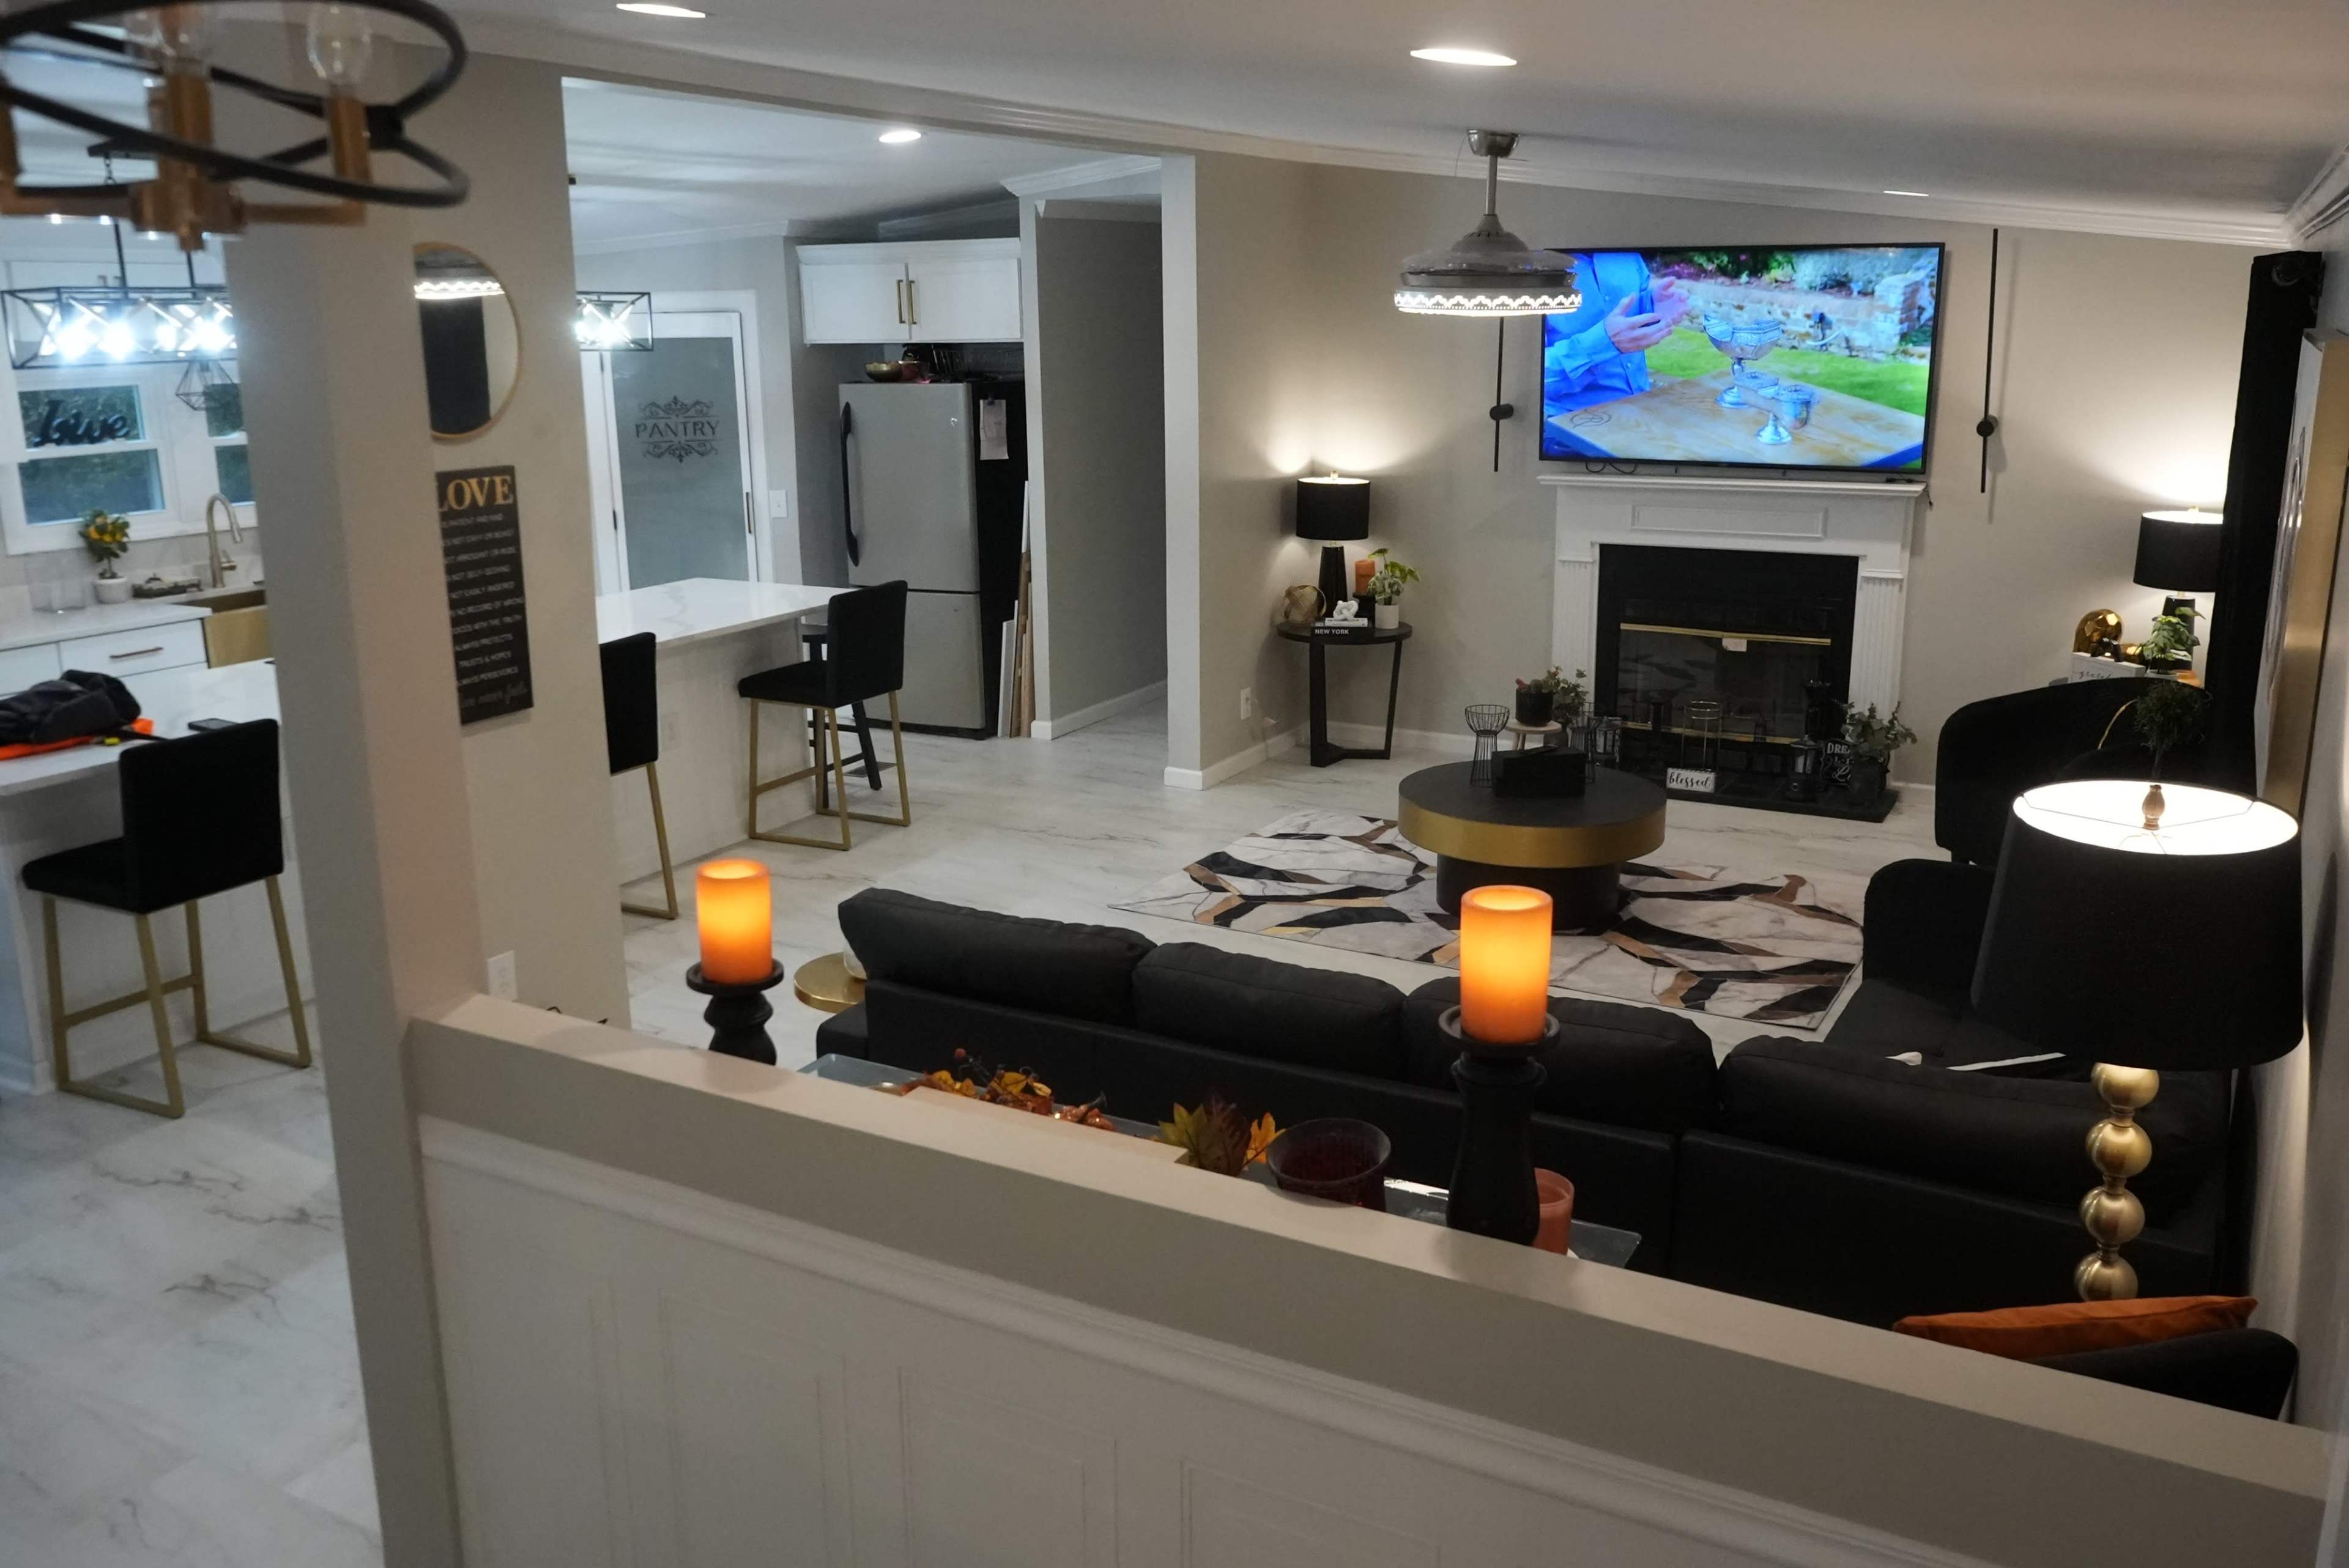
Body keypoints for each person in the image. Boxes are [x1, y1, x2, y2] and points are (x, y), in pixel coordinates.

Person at [1541, 251, 1694, 413]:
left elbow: (1628, 310)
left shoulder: (1627, 251)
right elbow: (1526, 378)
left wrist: (1650, 307)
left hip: (1642, 411)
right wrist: (1603, 343)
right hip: (1569, 427)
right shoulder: (1531, 267)